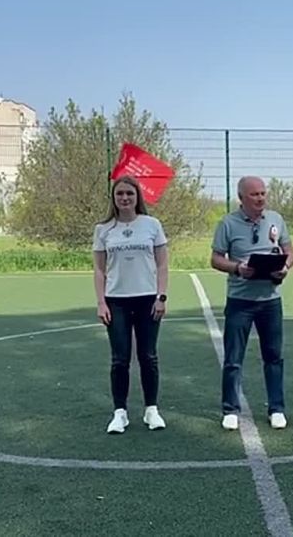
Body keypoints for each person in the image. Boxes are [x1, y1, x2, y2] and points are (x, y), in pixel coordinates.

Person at [210, 176, 293, 431]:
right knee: (233, 358)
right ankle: (230, 409)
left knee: (274, 357)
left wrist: (285, 267)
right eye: (254, 194)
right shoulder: (227, 223)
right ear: (241, 198)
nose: (260, 198)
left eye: (263, 193)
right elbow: (215, 259)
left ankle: (276, 408)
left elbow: (290, 250)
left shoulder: (276, 219)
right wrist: (238, 268)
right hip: (240, 301)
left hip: (271, 300)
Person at [93, 175, 169, 434]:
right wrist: (101, 302)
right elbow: (99, 270)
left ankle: (151, 410)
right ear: (114, 198)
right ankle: (120, 413)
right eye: (120, 194)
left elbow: (162, 264)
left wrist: (161, 297)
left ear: (137, 197)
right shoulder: (103, 230)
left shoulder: (152, 225)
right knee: (120, 359)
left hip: (148, 299)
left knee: (148, 356)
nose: (125, 198)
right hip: (116, 302)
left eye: (129, 193)